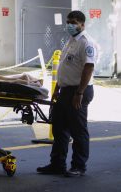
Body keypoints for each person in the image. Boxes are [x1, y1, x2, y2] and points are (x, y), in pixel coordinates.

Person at [37, 10, 98, 177]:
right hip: (65, 90)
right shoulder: (71, 41)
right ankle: (57, 164)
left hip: (78, 91)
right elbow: (66, 66)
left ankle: (78, 166)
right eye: (68, 21)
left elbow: (89, 68)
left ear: (82, 24)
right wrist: (58, 87)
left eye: (74, 22)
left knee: (78, 131)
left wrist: (79, 93)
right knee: (59, 129)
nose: (70, 25)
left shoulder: (86, 43)